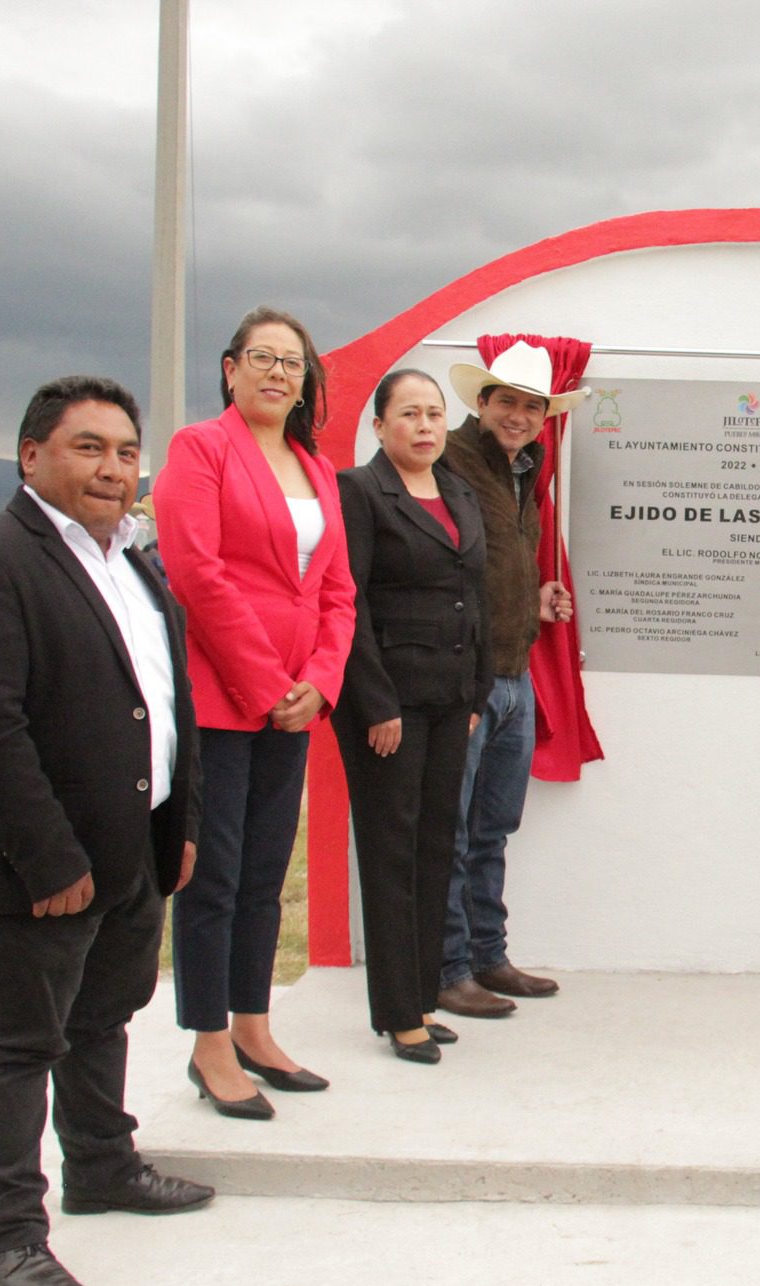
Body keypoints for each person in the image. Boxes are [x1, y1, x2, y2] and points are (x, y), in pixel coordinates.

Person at [0, 376, 211, 1286]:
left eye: (126, 451)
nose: (113, 468)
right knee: (16, 1041)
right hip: (40, 865)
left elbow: (163, 702)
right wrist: (50, 861)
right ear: (31, 454)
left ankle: (101, 1164)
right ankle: (5, 1232)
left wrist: (182, 823)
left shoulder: (134, 561)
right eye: (89, 448)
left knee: (103, 1014)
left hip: (135, 847)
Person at [154, 306, 356, 1117]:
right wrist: (267, 682)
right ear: (231, 368)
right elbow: (197, 574)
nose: (279, 372)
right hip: (222, 700)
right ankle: (208, 1046)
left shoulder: (317, 467)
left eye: (294, 362)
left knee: (265, 876)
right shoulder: (198, 450)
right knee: (214, 877)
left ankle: (253, 1025)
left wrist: (321, 682)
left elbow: (338, 592)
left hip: (294, 706)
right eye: (262, 357)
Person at [336, 371, 491, 1063]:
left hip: (451, 699)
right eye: (409, 414)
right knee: (392, 854)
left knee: (436, 846)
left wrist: (477, 693)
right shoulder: (362, 492)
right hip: (388, 706)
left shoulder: (458, 490)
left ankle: (424, 997)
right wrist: (376, 703)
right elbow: (351, 602)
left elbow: (473, 596)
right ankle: (398, 1014)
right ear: (379, 425)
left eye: (434, 414)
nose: (425, 426)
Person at [435, 342, 585, 1018]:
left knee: (493, 824)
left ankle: (489, 954)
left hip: (515, 674)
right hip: (469, 679)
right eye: (508, 402)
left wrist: (538, 593)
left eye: (532, 406)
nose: (520, 416)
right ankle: (449, 966)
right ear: (482, 403)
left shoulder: (530, 466)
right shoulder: (447, 461)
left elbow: (503, 561)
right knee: (454, 830)